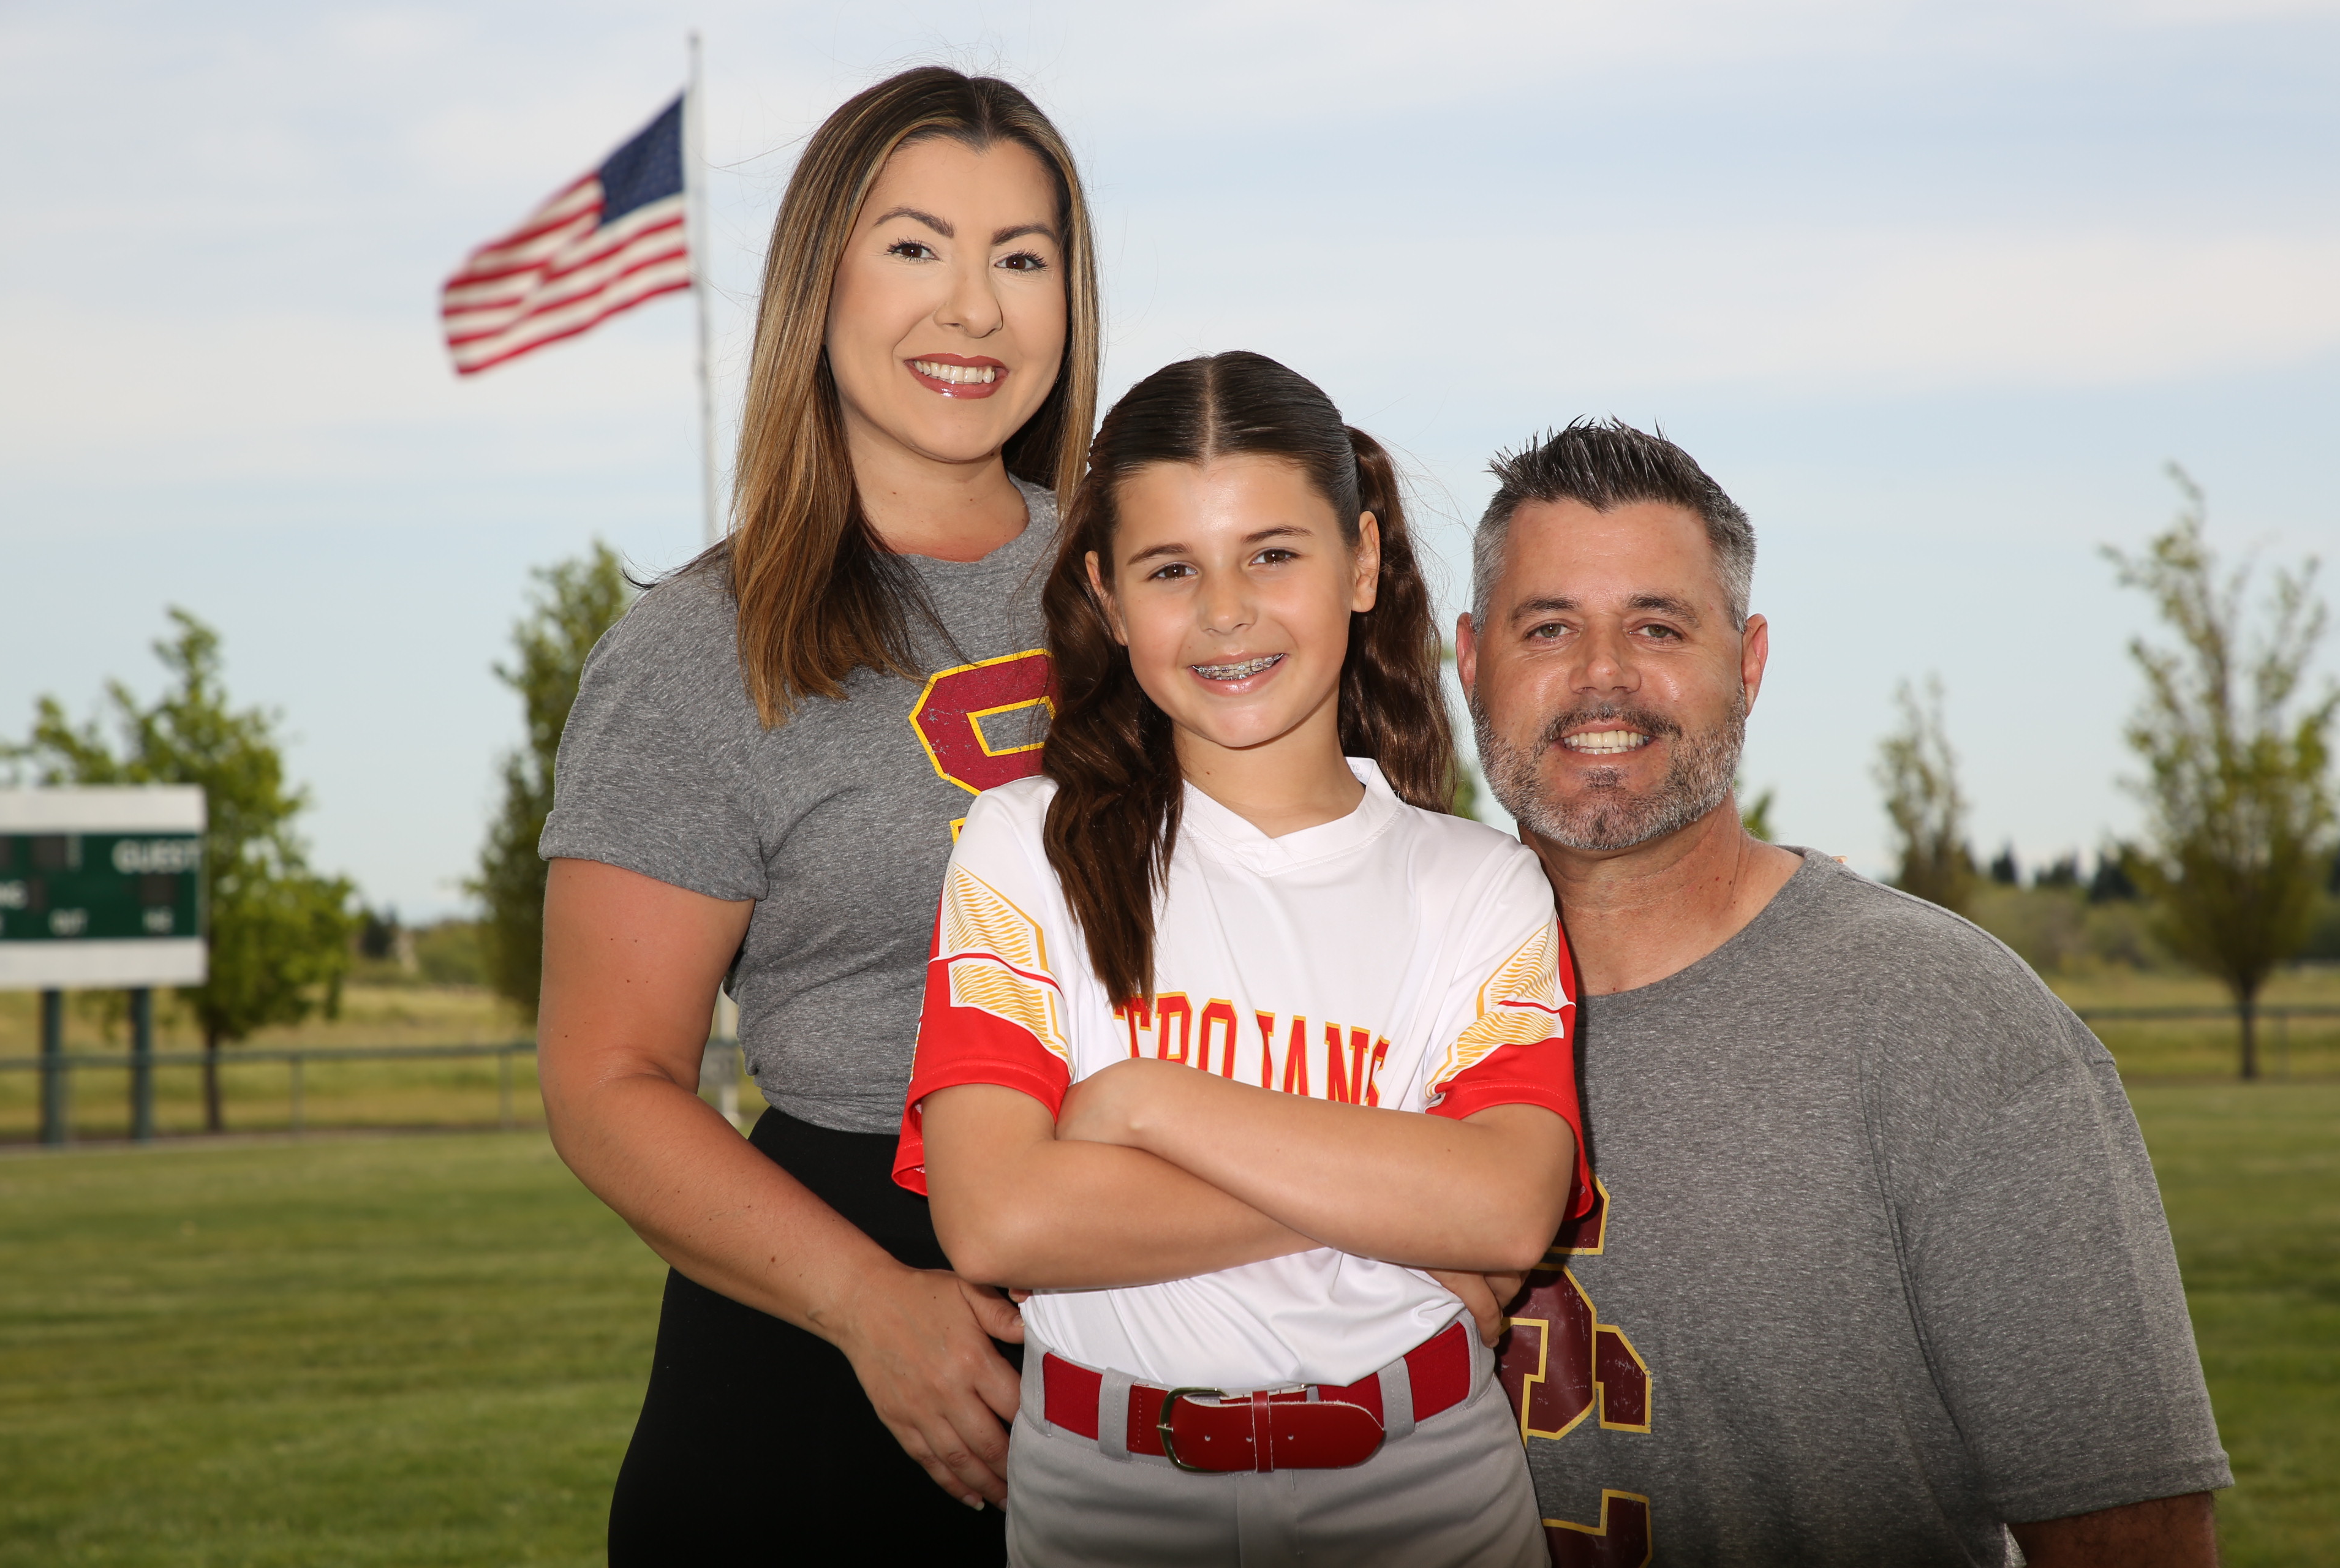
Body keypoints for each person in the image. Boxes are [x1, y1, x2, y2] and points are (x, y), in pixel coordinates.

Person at [1457, 420, 2232, 1567]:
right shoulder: (1388, 1002)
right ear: (1472, 661)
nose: (1603, 675)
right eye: (1549, 627)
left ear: (1749, 663)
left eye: (1659, 626)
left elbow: (2134, 1540)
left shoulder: (1950, 1024)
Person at [532, 67, 1102, 1564]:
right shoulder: (699, 650)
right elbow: (605, 1077)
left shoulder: (1153, 586)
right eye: (915, 246)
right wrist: (868, 1304)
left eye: (1021, 256)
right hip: (832, 1344)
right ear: (820, 282)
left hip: (1153, 1300)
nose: (972, 307)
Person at [896, 351, 1593, 1567]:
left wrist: (1143, 1101)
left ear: (1362, 562)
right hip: (1106, 1498)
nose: (1227, 611)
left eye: (1273, 553)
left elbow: (1505, 1203)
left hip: (1427, 1491)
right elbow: (999, 1216)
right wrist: (1393, 1197)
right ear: (1109, 597)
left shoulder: (1479, 882)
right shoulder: (1025, 848)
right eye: (1173, 568)